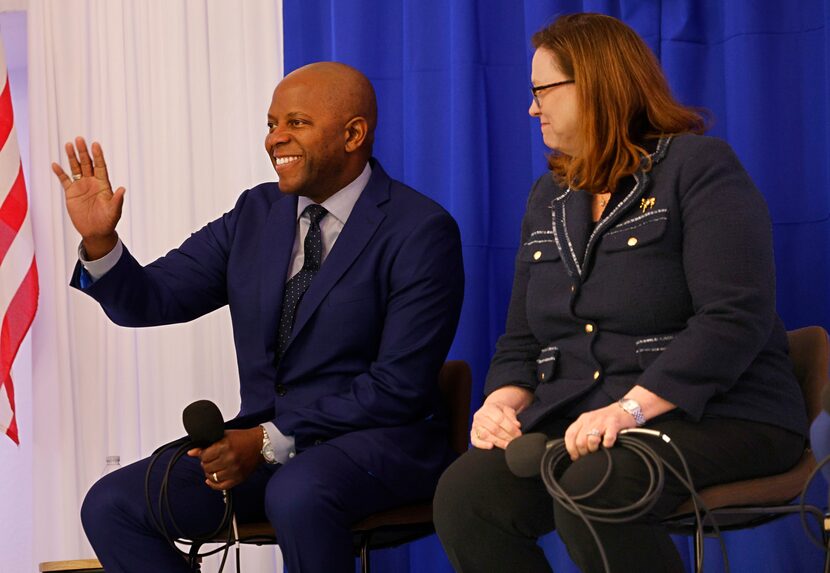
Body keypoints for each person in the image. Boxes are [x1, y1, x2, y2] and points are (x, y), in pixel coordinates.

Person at [51, 61, 464, 573]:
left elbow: (398, 386)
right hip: (262, 451)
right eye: (271, 124)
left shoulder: (420, 230)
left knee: (298, 491)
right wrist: (101, 241)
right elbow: (151, 298)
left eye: (296, 122)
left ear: (353, 134)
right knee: (113, 504)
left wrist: (270, 439)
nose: (276, 139)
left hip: (381, 446)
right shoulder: (256, 214)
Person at [433, 13, 806, 573]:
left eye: (542, 92)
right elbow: (521, 341)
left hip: (722, 414)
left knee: (597, 484)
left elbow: (734, 317)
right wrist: (500, 404)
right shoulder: (549, 196)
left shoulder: (698, 169)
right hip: (587, 419)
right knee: (467, 495)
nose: (533, 108)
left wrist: (632, 408)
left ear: (598, 84)